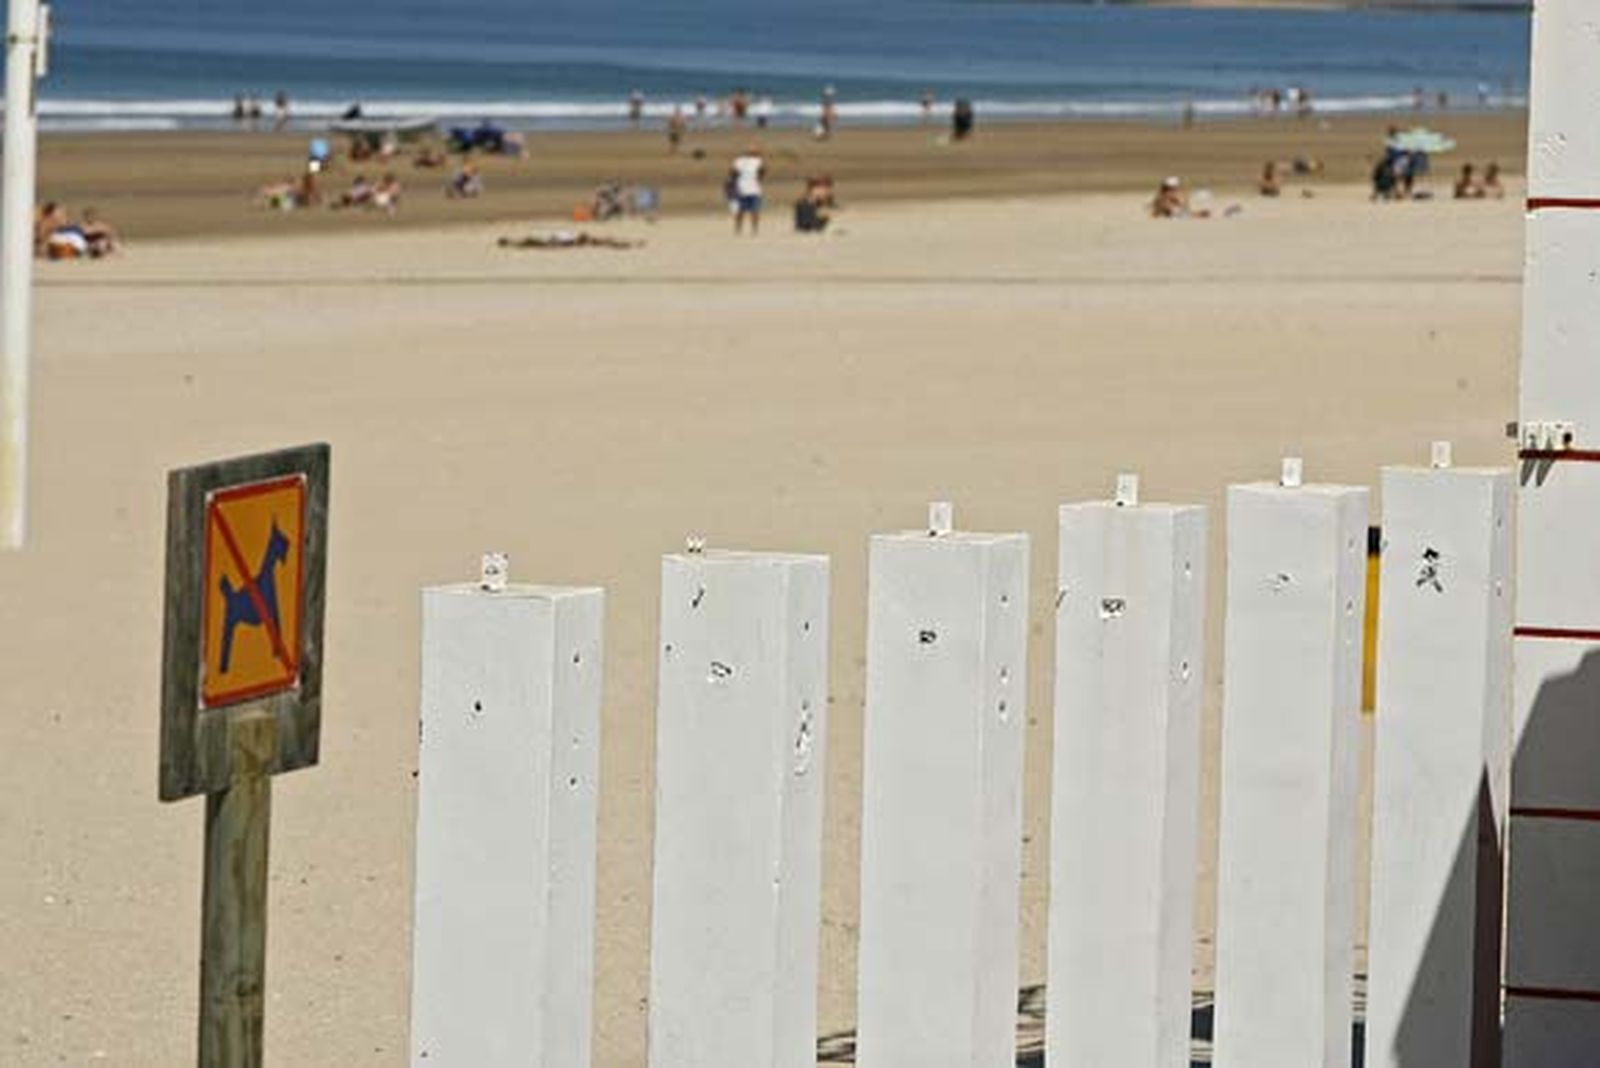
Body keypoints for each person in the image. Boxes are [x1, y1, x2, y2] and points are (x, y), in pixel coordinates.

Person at [729, 146, 764, 235]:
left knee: (742, 210)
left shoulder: (738, 161)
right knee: (753, 210)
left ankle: (739, 229)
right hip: (751, 189)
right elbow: (763, 171)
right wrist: (759, 178)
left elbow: (732, 173)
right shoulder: (757, 161)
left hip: (744, 188)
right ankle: (753, 229)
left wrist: (735, 183)